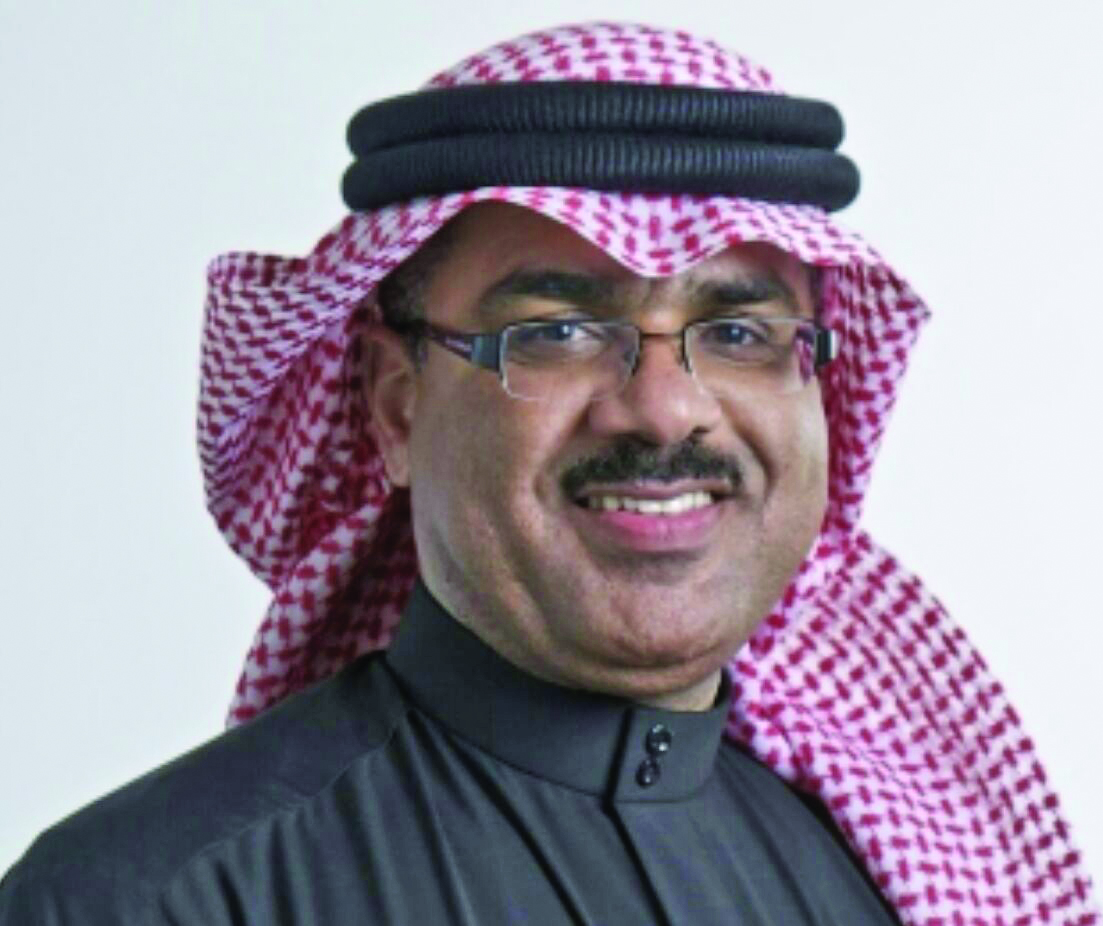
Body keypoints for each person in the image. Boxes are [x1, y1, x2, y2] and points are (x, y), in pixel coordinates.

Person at [1, 20, 1097, 926]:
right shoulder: (154, 902)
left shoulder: (896, 872)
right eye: (559, 332)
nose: (665, 407)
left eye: (737, 334)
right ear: (395, 404)